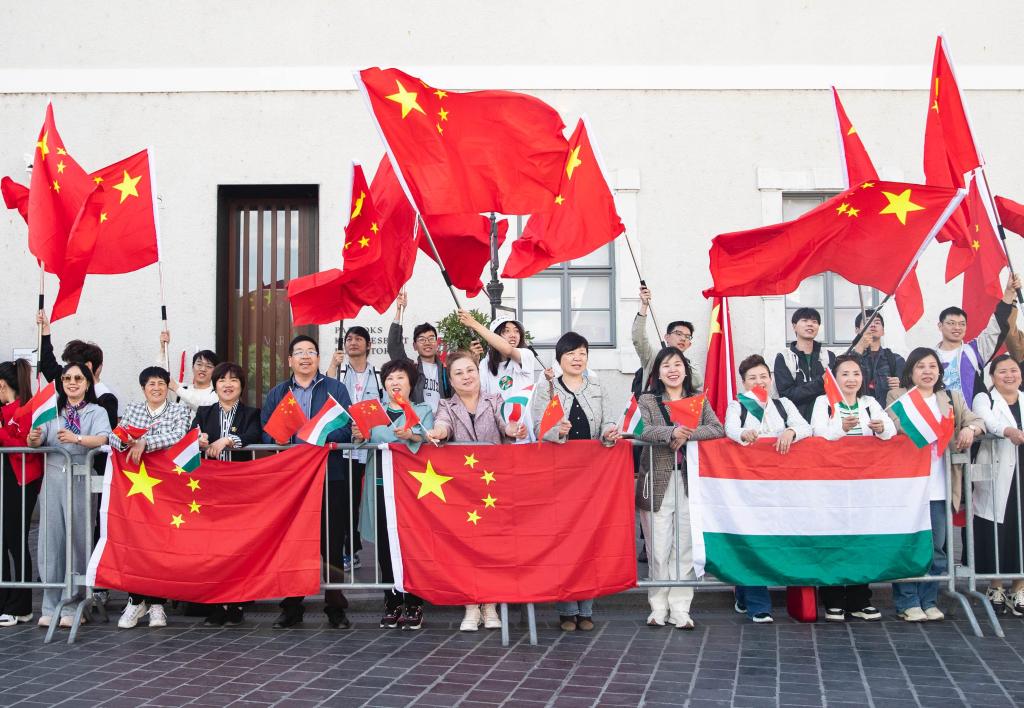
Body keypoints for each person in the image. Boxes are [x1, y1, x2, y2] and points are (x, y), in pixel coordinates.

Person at [426, 351, 527, 631]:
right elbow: (443, 425)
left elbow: (504, 423)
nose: (466, 376)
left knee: (493, 547)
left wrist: (513, 429)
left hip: (493, 486)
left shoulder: (495, 399)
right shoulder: (446, 405)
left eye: (470, 370)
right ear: (451, 379)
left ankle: (491, 605)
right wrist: (438, 433)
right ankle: (471, 605)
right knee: (466, 549)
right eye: (459, 373)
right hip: (462, 489)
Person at [261, 335, 353, 629]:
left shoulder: (335, 388)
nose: (305, 357)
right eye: (298, 352)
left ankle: (336, 607)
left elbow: (347, 428)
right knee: (292, 541)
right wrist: (280, 438)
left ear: (317, 357)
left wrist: (319, 436)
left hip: (330, 475)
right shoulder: (277, 393)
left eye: (310, 352)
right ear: (289, 360)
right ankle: (291, 606)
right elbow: (266, 433)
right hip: (291, 481)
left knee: (332, 542)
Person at [887, 347, 985, 622]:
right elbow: (892, 422)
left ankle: (929, 600)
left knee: (938, 549)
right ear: (910, 371)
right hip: (910, 487)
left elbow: (977, 420)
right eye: (920, 366)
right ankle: (907, 602)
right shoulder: (899, 396)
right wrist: (923, 428)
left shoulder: (951, 397)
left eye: (932, 366)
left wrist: (968, 429)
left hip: (941, 487)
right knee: (909, 546)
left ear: (939, 372)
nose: (927, 371)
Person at [532, 332, 621, 632]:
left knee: (590, 540)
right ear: (560, 359)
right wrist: (557, 430)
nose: (577, 357)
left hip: (593, 474)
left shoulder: (597, 386)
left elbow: (609, 420)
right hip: (560, 475)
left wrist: (609, 433)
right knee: (565, 541)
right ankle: (567, 610)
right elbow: (538, 425)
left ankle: (587, 609)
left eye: (582, 352)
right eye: (571, 353)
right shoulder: (548, 388)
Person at [635, 346, 723, 630]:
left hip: (690, 483)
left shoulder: (698, 400)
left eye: (677, 364)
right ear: (658, 373)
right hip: (657, 481)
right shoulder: (648, 400)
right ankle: (657, 607)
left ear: (685, 369)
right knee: (658, 547)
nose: (672, 370)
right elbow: (642, 430)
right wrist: (670, 432)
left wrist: (687, 435)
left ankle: (681, 608)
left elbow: (716, 428)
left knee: (685, 547)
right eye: (666, 366)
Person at [724, 354, 812, 624]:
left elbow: (806, 426)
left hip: (784, 489)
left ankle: (743, 591)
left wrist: (791, 433)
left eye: (763, 376)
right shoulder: (737, 405)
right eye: (752, 378)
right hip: (749, 489)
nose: (759, 381)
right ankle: (757, 603)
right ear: (744, 383)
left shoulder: (783, 405)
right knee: (754, 542)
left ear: (771, 379)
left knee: (781, 541)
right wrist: (743, 435)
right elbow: (729, 429)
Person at [810, 354, 895, 622]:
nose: (851, 379)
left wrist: (882, 428)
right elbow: (817, 433)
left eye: (856, 373)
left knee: (861, 541)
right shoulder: (824, 402)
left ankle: (860, 599)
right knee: (833, 540)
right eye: (845, 374)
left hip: (864, 486)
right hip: (832, 485)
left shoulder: (869, 403)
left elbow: (890, 430)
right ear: (836, 378)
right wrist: (840, 427)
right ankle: (833, 599)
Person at [27, 362, 111, 628]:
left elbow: (105, 439)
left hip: (80, 479)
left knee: (78, 539)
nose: (72, 382)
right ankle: (50, 604)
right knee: (51, 540)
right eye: (66, 378)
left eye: (78, 378)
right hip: (53, 479)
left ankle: (76, 603)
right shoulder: (51, 412)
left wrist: (76, 439)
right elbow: (37, 442)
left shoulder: (97, 411)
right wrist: (33, 437)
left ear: (87, 383)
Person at [353, 359, 433, 630]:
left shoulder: (422, 410)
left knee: (411, 544)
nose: (395, 383)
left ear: (411, 383)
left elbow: (426, 441)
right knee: (385, 547)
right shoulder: (372, 411)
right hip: (379, 485)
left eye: (400, 378)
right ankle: (392, 600)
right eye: (389, 378)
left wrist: (413, 435)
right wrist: (357, 434)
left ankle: (414, 600)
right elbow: (363, 440)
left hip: (410, 489)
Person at [109, 366, 191, 629]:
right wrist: (127, 443)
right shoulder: (133, 410)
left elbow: (178, 435)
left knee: (161, 544)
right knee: (136, 542)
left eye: (161, 383)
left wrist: (144, 441)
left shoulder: (179, 410)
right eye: (150, 384)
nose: (156, 388)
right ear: (143, 388)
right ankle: (136, 600)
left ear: (168, 387)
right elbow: (116, 436)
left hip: (167, 489)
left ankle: (157, 604)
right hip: (136, 489)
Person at [187, 362, 262, 626]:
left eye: (233, 380)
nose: (227, 384)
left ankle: (238, 602)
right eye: (222, 380)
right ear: (215, 385)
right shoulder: (204, 412)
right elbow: (190, 439)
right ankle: (217, 602)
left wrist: (228, 440)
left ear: (241, 386)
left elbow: (256, 435)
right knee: (214, 547)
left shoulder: (251, 413)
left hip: (240, 490)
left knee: (239, 547)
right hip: (210, 490)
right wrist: (199, 441)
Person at [971, 354, 1024, 615]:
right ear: (992, 377)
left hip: (1021, 470)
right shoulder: (985, 398)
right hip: (998, 470)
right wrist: (1010, 432)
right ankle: (996, 585)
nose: (1009, 375)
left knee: (1021, 529)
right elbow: (989, 422)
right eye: (1002, 371)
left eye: (1013, 370)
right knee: (996, 527)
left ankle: (1019, 587)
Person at [326, 326, 383, 571]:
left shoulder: (379, 375)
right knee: (347, 500)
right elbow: (326, 396)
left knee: (368, 500)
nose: (353, 343)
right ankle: (350, 550)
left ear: (368, 345)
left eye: (359, 339)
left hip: (370, 448)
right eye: (349, 339)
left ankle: (376, 552)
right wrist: (331, 365)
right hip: (346, 448)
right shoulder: (338, 373)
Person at [457, 311, 549, 443]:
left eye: (516, 331)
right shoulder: (484, 364)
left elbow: (508, 350)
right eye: (506, 331)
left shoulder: (526, 355)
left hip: (524, 434)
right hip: (498, 434)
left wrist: (474, 324)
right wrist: (474, 363)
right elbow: (477, 395)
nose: (513, 335)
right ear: (494, 336)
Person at [0, 360, 43, 627]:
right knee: (3, 542)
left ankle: (21, 605)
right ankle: (5, 601)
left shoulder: (25, 410)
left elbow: (25, 444)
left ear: (3, 385)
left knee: (16, 541)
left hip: (21, 481)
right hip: (7, 480)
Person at [934, 275, 1021, 406]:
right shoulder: (929, 357)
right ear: (940, 326)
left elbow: (995, 327)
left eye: (962, 324)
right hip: (939, 420)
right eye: (951, 323)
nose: (957, 327)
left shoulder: (974, 351)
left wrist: (1009, 293)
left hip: (971, 421)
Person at [37, 311, 121, 422]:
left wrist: (78, 439)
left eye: (71, 365)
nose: (68, 373)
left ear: (88, 366)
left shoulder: (106, 398)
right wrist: (45, 331)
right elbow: (47, 364)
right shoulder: (68, 384)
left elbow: (107, 435)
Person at [633, 285, 703, 394]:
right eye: (678, 334)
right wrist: (644, 306)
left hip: (680, 408)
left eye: (687, 336)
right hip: (655, 407)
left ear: (689, 344)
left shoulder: (690, 363)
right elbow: (639, 338)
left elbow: (697, 382)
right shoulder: (653, 355)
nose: (683, 339)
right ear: (666, 337)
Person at [387, 291, 450, 410]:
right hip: (418, 423)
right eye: (422, 339)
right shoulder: (410, 368)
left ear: (437, 343)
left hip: (442, 424)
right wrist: (400, 311)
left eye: (431, 338)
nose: (427, 342)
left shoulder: (446, 371)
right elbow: (394, 347)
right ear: (415, 346)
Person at [773, 307, 837, 421]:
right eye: (805, 321)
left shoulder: (828, 356)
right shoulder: (784, 358)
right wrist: (821, 382)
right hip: (795, 422)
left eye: (814, 322)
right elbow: (787, 395)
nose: (810, 324)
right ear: (794, 326)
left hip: (826, 420)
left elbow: (835, 391)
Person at [851, 309, 906, 404]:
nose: (872, 325)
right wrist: (859, 348)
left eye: (877, 322)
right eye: (867, 322)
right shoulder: (847, 359)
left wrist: (900, 385)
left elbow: (910, 389)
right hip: (859, 413)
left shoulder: (896, 360)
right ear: (857, 330)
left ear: (883, 331)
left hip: (886, 414)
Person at [160, 331, 220, 413]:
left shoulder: (216, 394)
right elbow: (161, 378)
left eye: (208, 366)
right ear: (192, 367)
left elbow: (201, 406)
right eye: (199, 364)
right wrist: (163, 349)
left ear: (215, 371)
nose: (203, 369)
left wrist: (177, 389)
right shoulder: (183, 388)